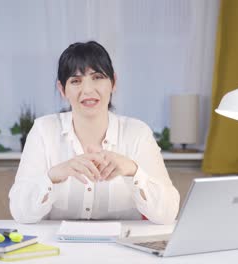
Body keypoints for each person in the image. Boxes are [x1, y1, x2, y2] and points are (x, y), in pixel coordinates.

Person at [9, 41, 180, 224]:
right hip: (58, 249)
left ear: (113, 82)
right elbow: (20, 213)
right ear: (62, 89)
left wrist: (133, 170)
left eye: (97, 77)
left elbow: (167, 214)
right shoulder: (43, 131)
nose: (88, 90)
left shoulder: (138, 133)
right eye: (76, 81)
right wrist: (53, 176)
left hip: (124, 248)